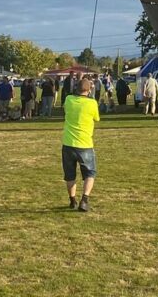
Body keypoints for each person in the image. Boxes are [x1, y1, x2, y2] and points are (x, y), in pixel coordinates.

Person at [62, 77, 100, 213]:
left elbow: (65, 110)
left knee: (70, 175)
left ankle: (72, 200)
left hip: (68, 143)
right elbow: (97, 118)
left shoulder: (69, 100)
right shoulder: (92, 103)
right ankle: (84, 200)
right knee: (90, 173)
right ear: (89, 90)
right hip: (85, 143)